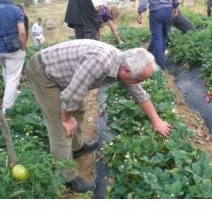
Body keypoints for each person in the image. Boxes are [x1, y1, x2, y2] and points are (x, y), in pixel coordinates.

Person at [25, 39, 172, 192]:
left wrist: (157, 121)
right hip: (44, 73)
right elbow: (70, 96)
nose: (138, 83)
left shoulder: (124, 64)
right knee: (60, 127)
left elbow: (139, 93)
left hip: (62, 72)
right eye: (140, 79)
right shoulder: (99, 63)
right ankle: (67, 177)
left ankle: (76, 148)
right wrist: (66, 119)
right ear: (127, 71)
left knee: (79, 110)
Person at [0, 0, 26, 114]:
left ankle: (13, 94)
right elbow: (22, 32)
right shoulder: (15, 9)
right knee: (12, 78)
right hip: (12, 49)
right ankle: (7, 109)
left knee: (6, 72)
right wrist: (23, 47)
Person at [137, 0, 179, 69]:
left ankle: (159, 65)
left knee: (157, 38)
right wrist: (175, 7)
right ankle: (161, 60)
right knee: (164, 36)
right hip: (168, 11)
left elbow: (144, 1)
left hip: (156, 11)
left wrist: (140, 12)